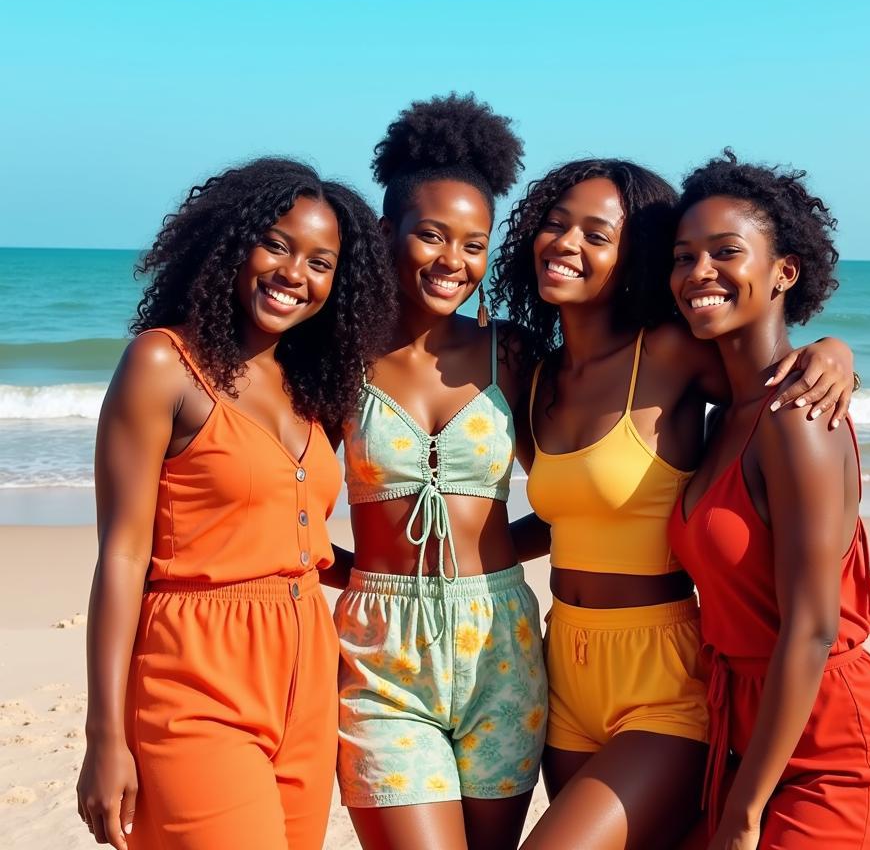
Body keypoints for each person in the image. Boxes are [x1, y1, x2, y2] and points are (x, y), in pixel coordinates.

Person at [489, 158, 857, 850]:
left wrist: (835, 352)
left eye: (597, 234)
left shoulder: (670, 355)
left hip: (662, 674)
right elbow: (570, 516)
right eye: (555, 224)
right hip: (562, 664)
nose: (565, 244)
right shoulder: (534, 378)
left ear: (636, 258)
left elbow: (765, 374)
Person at [76, 158, 395, 850]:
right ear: (231, 242)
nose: (294, 274)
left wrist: (379, 569)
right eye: (276, 244)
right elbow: (124, 555)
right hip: (195, 673)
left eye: (321, 262)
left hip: (310, 674)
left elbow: (282, 530)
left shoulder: (312, 387)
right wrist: (104, 736)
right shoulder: (164, 365)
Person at [667, 150, 870, 849]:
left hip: (834, 752)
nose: (699, 274)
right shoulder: (721, 416)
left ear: (784, 272)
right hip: (745, 737)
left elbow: (810, 629)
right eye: (684, 257)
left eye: (725, 252)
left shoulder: (797, 416)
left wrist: (744, 816)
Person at [335, 94, 547, 850]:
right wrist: (344, 569)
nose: (453, 261)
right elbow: (275, 485)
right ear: (386, 231)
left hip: (502, 647)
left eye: (474, 243)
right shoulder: (338, 357)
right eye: (431, 235)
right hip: (381, 653)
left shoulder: (510, 354)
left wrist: (830, 356)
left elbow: (575, 496)